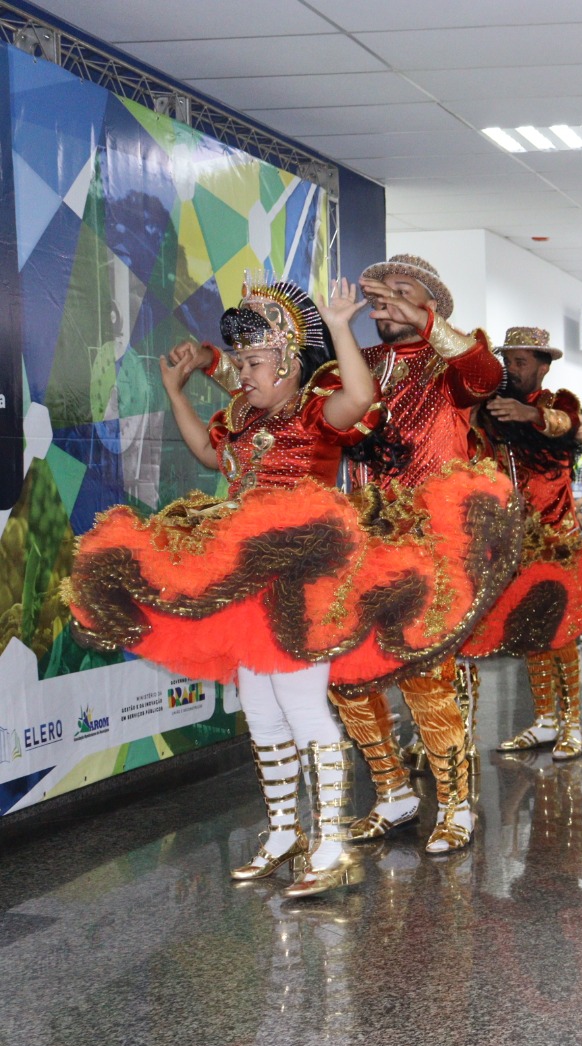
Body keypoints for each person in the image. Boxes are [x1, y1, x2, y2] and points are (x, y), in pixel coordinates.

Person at [69, 278, 382, 897]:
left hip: (302, 584)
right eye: (237, 363)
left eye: (254, 363)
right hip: (247, 586)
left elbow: (361, 396)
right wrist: (173, 392)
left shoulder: (316, 412)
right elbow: (214, 459)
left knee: (302, 707)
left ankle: (335, 842)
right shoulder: (242, 417)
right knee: (261, 710)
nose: (242, 374)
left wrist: (342, 326)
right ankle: (285, 831)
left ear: (291, 361)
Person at [327, 253, 510, 854]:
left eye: (400, 294)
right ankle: (393, 792)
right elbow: (321, 418)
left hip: (435, 545)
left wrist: (427, 322)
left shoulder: (449, 363)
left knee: (428, 680)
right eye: (379, 296)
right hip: (363, 545)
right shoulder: (360, 366)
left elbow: (486, 377)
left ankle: (457, 806)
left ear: (432, 305)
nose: (385, 305)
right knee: (347, 680)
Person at [461, 327, 582, 763]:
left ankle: (572, 724)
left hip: (556, 540)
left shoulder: (557, 403)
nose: (513, 369)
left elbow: (566, 427)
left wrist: (527, 417)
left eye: (522, 362)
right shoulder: (493, 409)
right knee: (529, 630)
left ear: (543, 366)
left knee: (560, 632)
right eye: (509, 361)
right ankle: (544, 718)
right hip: (514, 541)